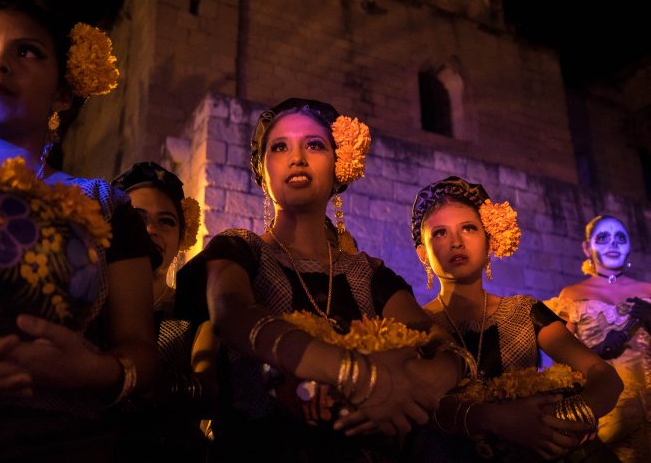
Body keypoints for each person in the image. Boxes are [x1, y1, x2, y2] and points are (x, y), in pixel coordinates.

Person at [176, 97, 469, 462]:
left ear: (338, 166)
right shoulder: (239, 250)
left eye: (314, 145)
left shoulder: (368, 274)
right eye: (279, 146)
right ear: (263, 170)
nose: (297, 157)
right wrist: (361, 377)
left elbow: (442, 347)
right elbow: (232, 316)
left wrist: (409, 386)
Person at [0, 0, 159, 461]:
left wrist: (97, 373)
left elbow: (141, 352)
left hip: (65, 440)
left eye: (26, 52)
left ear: (64, 91)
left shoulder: (106, 206)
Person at [409, 176, 623, 462]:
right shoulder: (412, 325)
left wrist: (557, 421)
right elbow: (410, 403)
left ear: (489, 242)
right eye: (440, 233)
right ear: (423, 253)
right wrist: (491, 420)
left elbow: (604, 376)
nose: (456, 242)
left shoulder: (524, 311)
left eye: (469, 228)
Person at [111, 161, 217, 461]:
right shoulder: (90, 307)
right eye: (136, 218)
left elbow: (208, 391)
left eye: (166, 221)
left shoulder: (194, 313)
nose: (150, 230)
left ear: (182, 236)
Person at [548, 215, 651, 463]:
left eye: (620, 238)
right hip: (607, 413)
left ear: (629, 246)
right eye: (603, 238)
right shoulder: (573, 295)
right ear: (587, 247)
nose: (613, 244)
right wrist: (599, 349)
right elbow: (561, 368)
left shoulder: (648, 290)